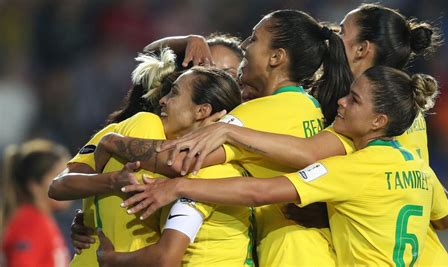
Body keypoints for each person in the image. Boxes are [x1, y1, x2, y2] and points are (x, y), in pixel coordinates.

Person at [121, 66, 448, 266]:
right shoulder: (421, 169)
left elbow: (260, 191)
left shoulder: (351, 168)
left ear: (378, 121)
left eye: (353, 100)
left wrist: (178, 185)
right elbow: (447, 218)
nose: (341, 101)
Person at [95, 9, 353, 266]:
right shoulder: (310, 106)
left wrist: (113, 141)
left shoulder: (258, 113)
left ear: (276, 57)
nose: (244, 45)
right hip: (313, 251)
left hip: (287, 254)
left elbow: (178, 160)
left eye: (253, 39)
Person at [50, 48, 252, 266]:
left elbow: (174, 163)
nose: (163, 101)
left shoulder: (213, 164)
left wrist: (111, 143)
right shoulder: (143, 124)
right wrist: (106, 188)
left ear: (203, 110)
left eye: (231, 73)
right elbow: (59, 186)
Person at [1, 139, 71, 267]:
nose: (69, 183)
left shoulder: (43, 220)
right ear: (35, 186)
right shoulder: (31, 223)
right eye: (60, 177)